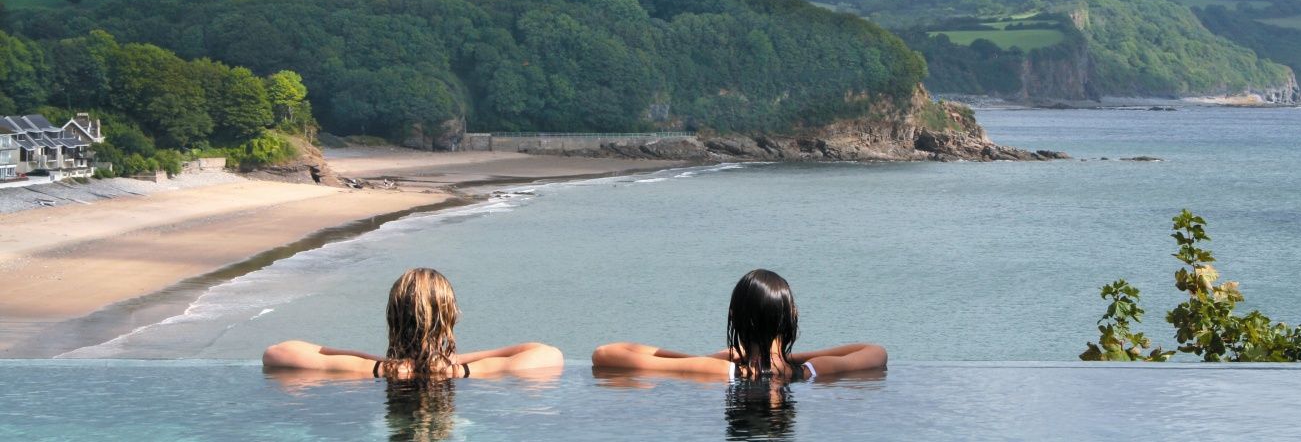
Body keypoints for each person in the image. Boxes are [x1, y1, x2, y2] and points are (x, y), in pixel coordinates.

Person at [263, 268, 563, 378]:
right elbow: (548, 352)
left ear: (392, 316)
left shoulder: (371, 370)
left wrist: (380, 360)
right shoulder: (464, 372)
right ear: (450, 319)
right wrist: (449, 360)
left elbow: (277, 352)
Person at [591, 268, 887, 380]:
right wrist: (785, 359)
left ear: (733, 315)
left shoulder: (720, 369)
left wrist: (708, 357)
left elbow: (605, 354)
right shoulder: (812, 371)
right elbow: (875, 352)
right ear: (792, 317)